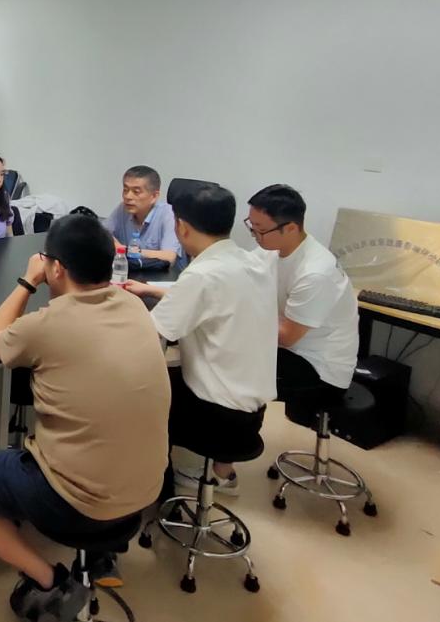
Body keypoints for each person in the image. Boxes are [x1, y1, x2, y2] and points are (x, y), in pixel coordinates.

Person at [0, 215, 170, 622]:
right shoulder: (133, 305)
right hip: (145, 491)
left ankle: (49, 580)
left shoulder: (47, 325)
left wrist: (27, 281)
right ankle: (100, 555)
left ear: (55, 268)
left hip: (77, 504)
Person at [126, 185, 277, 496]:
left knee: (137, 393)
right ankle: (221, 473)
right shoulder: (249, 262)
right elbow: (212, 297)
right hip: (251, 405)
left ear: (182, 226)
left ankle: (156, 488)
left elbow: (149, 335)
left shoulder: (202, 275)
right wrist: (153, 290)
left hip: (217, 414)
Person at [247, 184, 358, 414]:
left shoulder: (315, 272)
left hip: (319, 369)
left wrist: (240, 317)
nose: (255, 236)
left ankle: (241, 433)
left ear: (290, 228)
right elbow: (241, 274)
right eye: (251, 227)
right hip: (289, 351)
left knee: (233, 368)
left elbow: (287, 337)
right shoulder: (271, 248)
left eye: (261, 230)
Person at [103, 165, 181, 265]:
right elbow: (101, 233)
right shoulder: (123, 209)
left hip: (162, 274)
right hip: (131, 270)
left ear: (154, 196)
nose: (128, 196)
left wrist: (126, 250)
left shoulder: (168, 214)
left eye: (136, 192)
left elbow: (169, 257)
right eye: (125, 190)